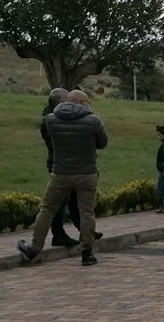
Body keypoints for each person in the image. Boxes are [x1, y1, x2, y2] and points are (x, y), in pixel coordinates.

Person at [18, 90, 108, 267]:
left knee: (47, 209)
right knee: (86, 212)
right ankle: (87, 253)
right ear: (81, 101)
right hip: (86, 173)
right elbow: (102, 143)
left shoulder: (51, 120)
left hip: (61, 172)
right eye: (87, 101)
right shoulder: (93, 121)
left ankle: (34, 248)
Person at [40, 88, 81, 247]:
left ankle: (83, 229)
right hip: (59, 163)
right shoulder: (50, 121)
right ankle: (58, 234)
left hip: (69, 162)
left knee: (75, 198)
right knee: (58, 201)